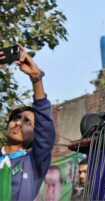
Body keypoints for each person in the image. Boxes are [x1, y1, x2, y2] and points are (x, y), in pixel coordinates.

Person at [0, 45, 56, 200]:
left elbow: (45, 128)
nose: (18, 123)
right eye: (16, 118)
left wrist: (36, 77)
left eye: (27, 122)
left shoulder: (33, 163)